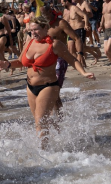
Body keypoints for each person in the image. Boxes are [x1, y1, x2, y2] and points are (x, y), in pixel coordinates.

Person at [10, 16, 94, 145]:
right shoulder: (29, 43)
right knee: (39, 121)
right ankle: (53, 136)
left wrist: (84, 72)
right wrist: (8, 64)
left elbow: (72, 60)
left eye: (36, 30)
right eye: (31, 30)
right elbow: (20, 62)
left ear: (45, 28)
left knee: (40, 121)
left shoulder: (55, 44)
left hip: (48, 86)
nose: (33, 33)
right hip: (30, 87)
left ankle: (43, 152)